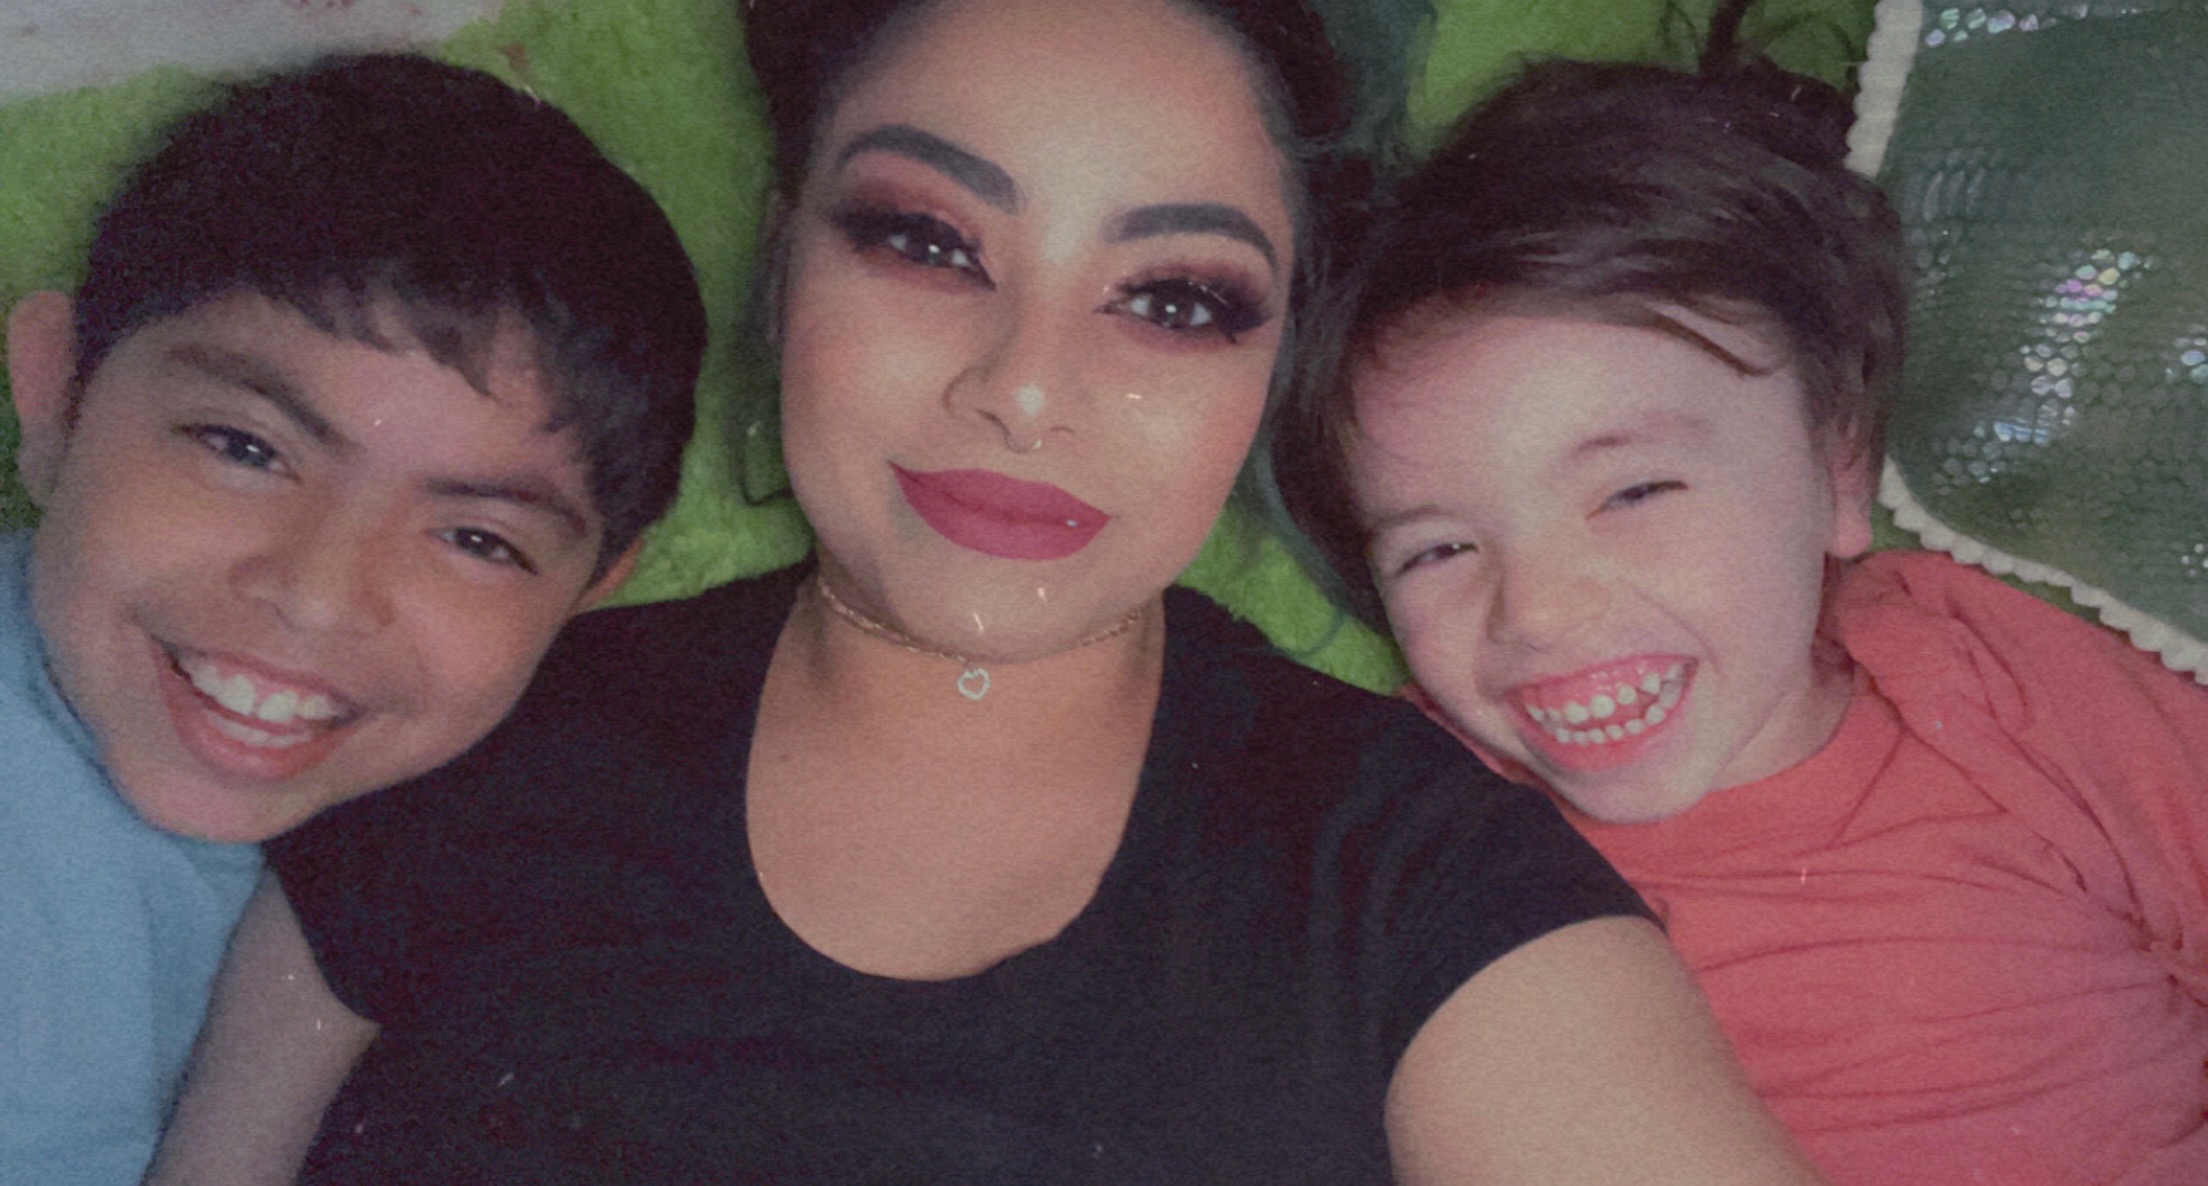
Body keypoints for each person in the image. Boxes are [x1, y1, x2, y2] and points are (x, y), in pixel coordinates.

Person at [151, 2, 1829, 1182]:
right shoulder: (460, 723)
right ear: (782, 260)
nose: (1027, 387)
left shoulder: (1413, 880)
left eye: (1174, 298)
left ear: (1268, 371)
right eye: (928, 240)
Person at [1284, 50, 2208, 1186]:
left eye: (1634, 492)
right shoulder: (1410, 812)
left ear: (1838, 468)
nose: (1538, 610)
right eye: (1437, 549)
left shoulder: (1984, 670)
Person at [2, 53, 704, 1185]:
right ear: (56, 392)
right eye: (244, 448)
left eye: (478, 540)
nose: (319, 592)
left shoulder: (529, 860)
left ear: (588, 593)